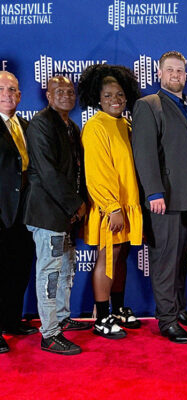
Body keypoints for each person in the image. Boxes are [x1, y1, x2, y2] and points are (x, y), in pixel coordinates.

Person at [132, 51, 187, 344]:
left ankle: (179, 308)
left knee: (181, 259)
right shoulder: (149, 105)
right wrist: (154, 192)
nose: (176, 75)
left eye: (180, 71)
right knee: (165, 261)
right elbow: (145, 152)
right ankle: (167, 320)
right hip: (166, 199)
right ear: (159, 74)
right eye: (170, 70)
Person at [24, 76, 91, 355]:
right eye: (58, 91)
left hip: (66, 213)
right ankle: (49, 333)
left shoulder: (72, 127)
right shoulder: (41, 124)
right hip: (47, 213)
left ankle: (62, 318)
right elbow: (48, 173)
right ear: (48, 96)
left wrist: (79, 204)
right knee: (50, 274)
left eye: (69, 91)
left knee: (66, 269)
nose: (65, 95)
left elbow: (77, 171)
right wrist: (75, 204)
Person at [78, 64, 142, 339]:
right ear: (97, 98)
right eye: (107, 95)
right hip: (111, 208)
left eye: (119, 94)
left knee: (121, 257)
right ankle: (102, 317)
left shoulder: (125, 124)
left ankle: (118, 309)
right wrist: (112, 207)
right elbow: (96, 172)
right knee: (108, 257)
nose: (114, 99)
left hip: (129, 204)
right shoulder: (94, 127)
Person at [0, 71, 37, 354]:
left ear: (20, 96)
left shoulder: (25, 125)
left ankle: (11, 321)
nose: (7, 94)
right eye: (2, 89)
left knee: (19, 269)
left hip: (24, 212)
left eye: (13, 89)